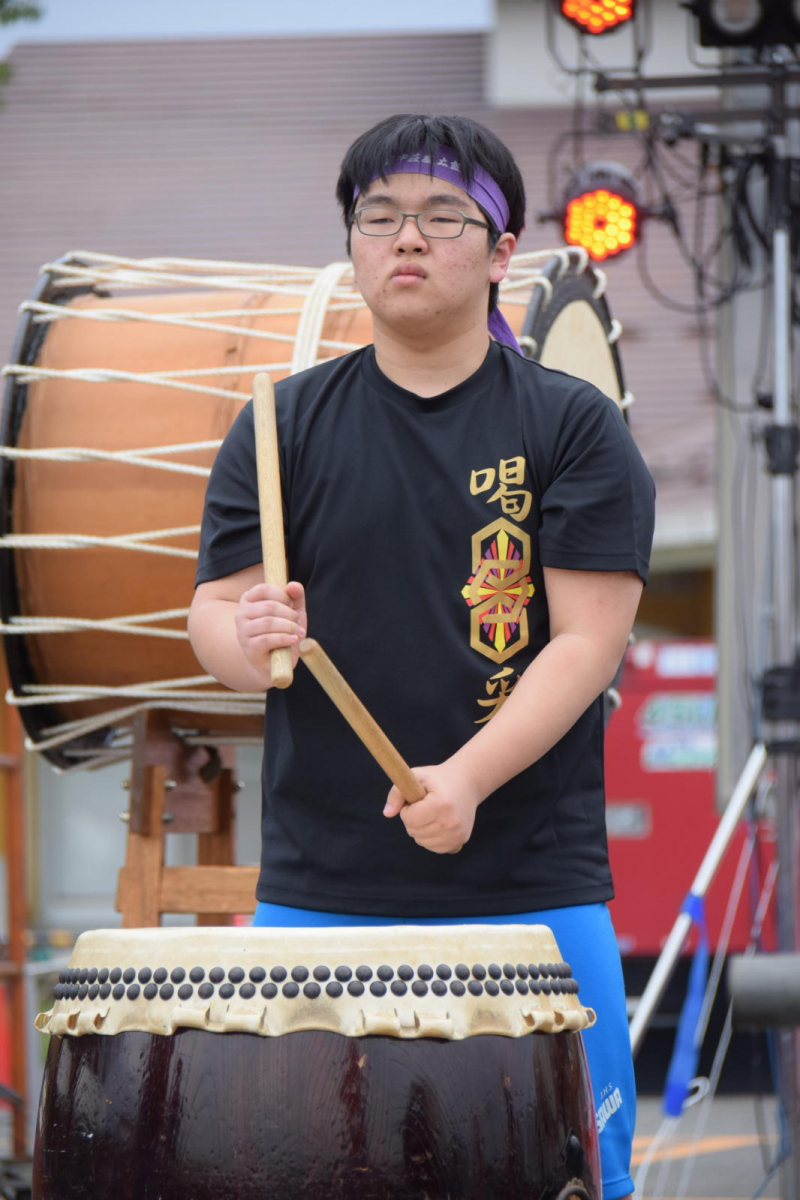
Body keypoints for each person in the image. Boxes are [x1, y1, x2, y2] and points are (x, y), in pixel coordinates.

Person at [188, 113, 655, 1200]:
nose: (406, 236)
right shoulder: (281, 424)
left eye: (443, 216)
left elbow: (587, 641)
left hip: (529, 882)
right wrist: (245, 639)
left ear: (499, 254)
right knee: (307, 1175)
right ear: (352, 246)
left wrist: (469, 777)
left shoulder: (572, 426)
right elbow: (213, 614)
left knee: (573, 1176)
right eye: (379, 216)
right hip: (322, 885)